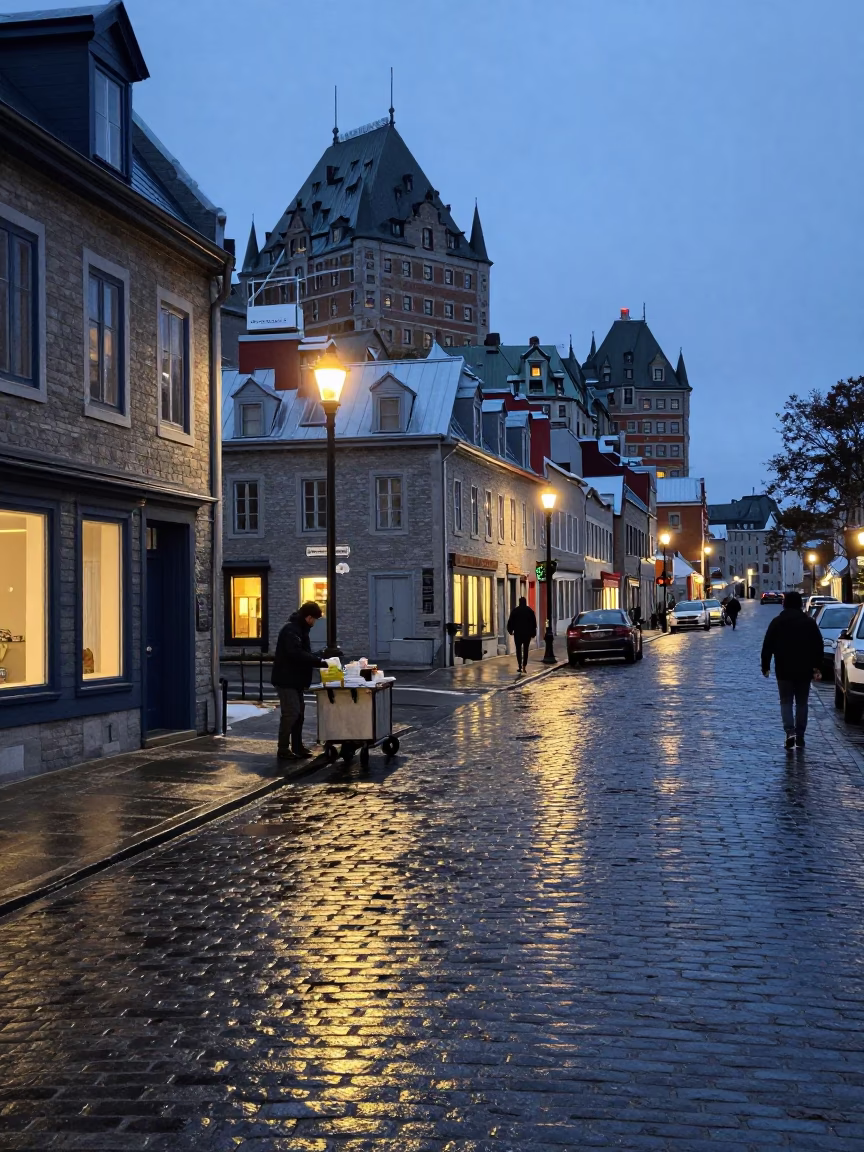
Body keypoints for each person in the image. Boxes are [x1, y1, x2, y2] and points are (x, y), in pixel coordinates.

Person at [760, 590, 824, 750]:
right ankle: (800, 734)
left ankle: (789, 732)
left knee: (786, 701)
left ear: (785, 604)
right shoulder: (809, 622)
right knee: (802, 702)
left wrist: (765, 666)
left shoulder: (777, 622)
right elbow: (818, 646)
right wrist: (817, 666)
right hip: (804, 668)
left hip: (783, 668)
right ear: (800, 604)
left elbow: (767, 645)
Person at [271, 601, 328, 762]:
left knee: (299, 714)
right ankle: (283, 748)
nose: (314, 622)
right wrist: (319, 661)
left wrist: (319, 657)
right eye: (314, 619)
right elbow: (296, 653)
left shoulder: (299, 630)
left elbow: (302, 652)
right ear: (308, 617)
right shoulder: (291, 630)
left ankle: (297, 746)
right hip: (286, 679)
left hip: (295, 680)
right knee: (292, 712)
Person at [507, 596, 537, 674]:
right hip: (527, 634)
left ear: (519, 602)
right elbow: (534, 623)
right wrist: (533, 633)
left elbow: (510, 622)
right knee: (526, 650)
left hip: (518, 633)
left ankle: (519, 666)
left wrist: (510, 631)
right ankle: (524, 666)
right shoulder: (529, 611)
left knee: (518, 650)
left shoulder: (515, 611)